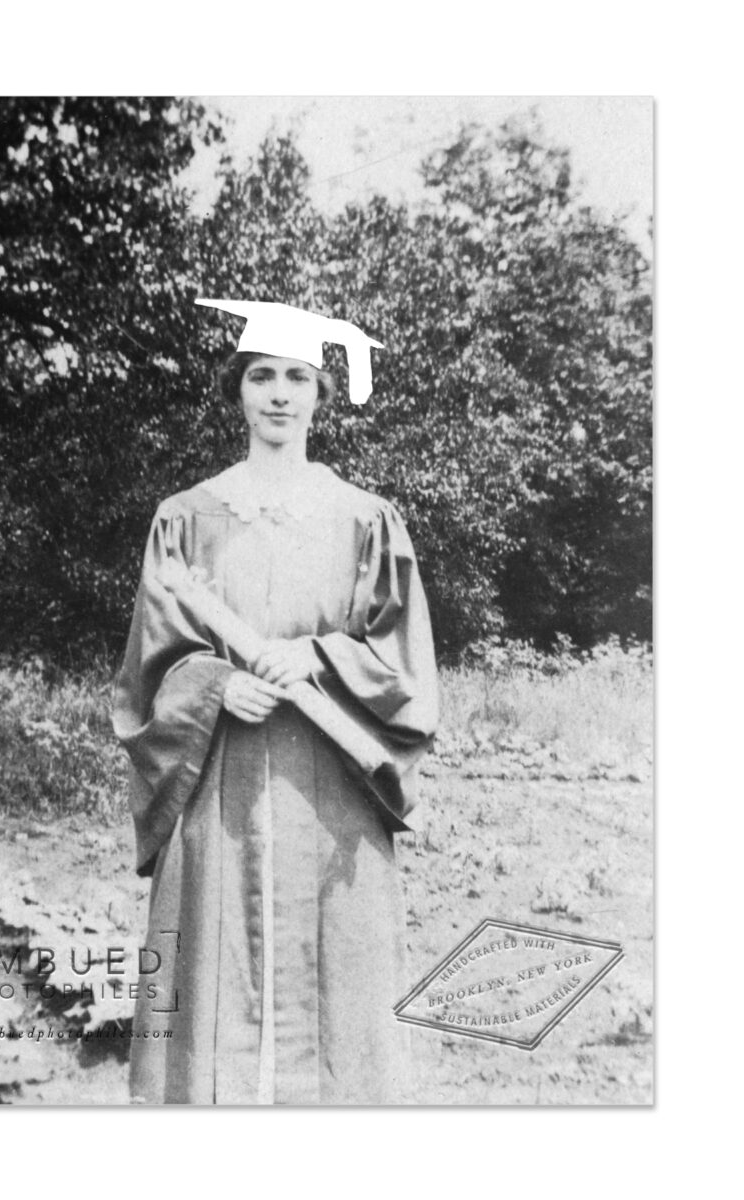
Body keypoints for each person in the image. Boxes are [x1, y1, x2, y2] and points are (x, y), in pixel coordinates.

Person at [112, 300, 439, 1104]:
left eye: (298, 377)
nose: (280, 394)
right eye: (262, 376)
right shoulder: (184, 519)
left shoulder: (365, 520)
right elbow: (149, 666)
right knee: (212, 964)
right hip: (217, 778)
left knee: (337, 994)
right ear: (238, 390)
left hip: (330, 783)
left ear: (322, 394)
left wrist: (319, 656)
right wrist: (217, 684)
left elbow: (404, 664)